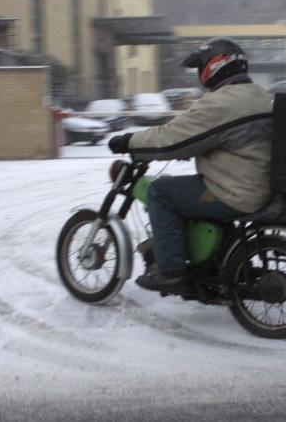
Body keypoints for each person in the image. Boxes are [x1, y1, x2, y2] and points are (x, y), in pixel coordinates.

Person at [107, 37, 273, 294]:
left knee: (160, 191)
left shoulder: (221, 103)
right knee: (187, 191)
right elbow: (229, 139)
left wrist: (129, 141)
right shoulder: (257, 95)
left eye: (201, 67)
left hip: (234, 191)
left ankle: (171, 272)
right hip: (255, 183)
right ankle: (213, 264)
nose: (199, 74)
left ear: (215, 66)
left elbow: (170, 138)